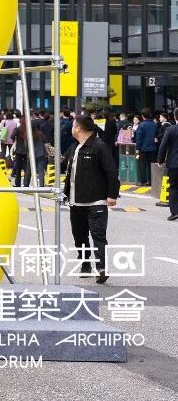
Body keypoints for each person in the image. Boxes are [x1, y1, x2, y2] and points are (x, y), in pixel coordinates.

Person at [64, 115, 119, 284]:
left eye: (73, 125)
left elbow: (111, 171)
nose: (72, 128)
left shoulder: (99, 147)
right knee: (79, 236)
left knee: (98, 235)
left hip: (96, 201)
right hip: (76, 201)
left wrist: (112, 195)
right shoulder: (75, 147)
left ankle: (101, 268)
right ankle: (85, 263)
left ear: (78, 128)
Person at [158, 119, 178, 222]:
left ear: (175, 117)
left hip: (174, 163)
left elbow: (163, 145)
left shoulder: (171, 129)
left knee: (173, 187)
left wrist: (160, 160)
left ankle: (175, 212)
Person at [134, 110, 158, 187]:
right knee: (151, 165)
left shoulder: (141, 125)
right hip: (152, 148)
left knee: (142, 164)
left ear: (142, 116)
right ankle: (151, 181)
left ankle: (143, 181)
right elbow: (157, 136)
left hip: (143, 148)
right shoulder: (155, 124)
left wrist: (137, 149)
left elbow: (138, 138)